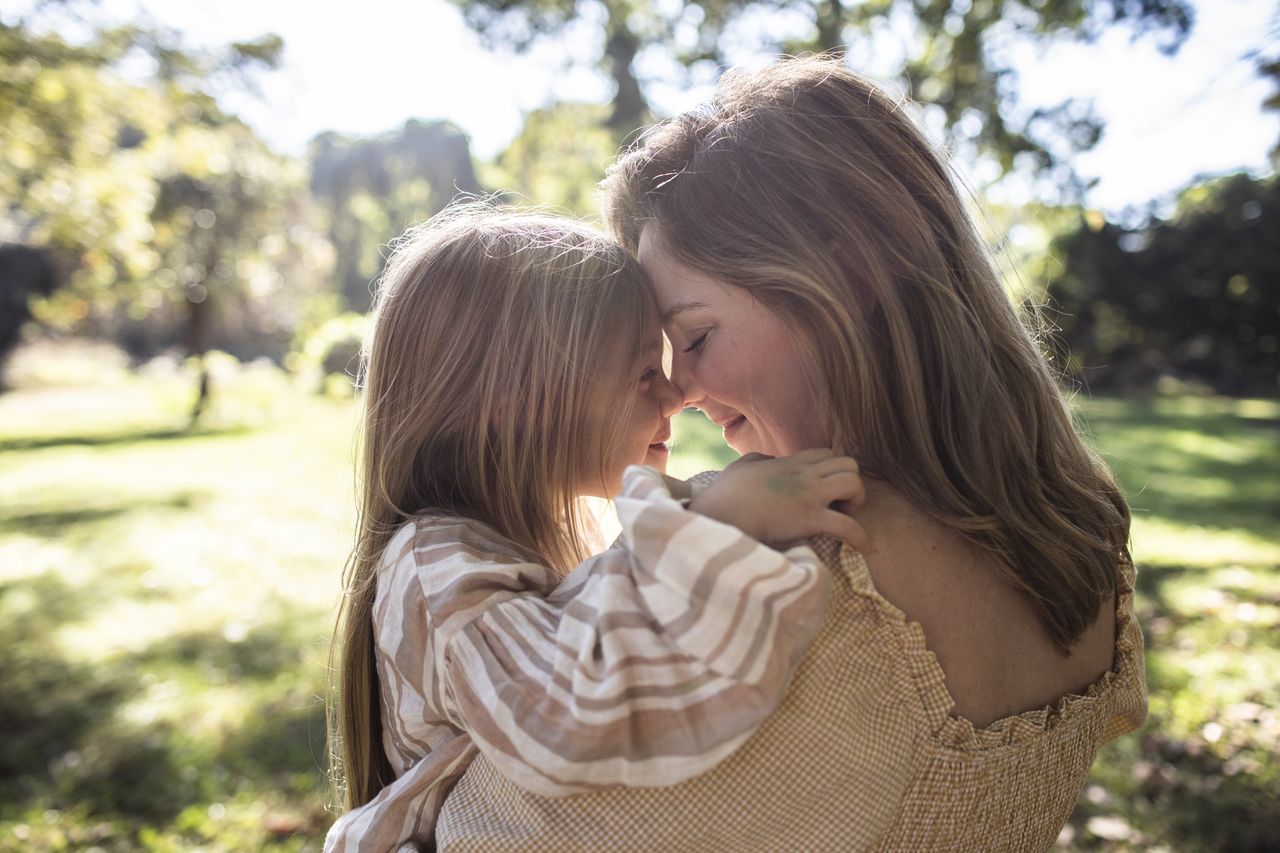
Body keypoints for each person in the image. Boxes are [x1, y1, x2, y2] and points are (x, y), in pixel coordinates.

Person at [434, 57, 1147, 851]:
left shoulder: (777, 564)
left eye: (696, 337)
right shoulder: (1087, 539)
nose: (687, 392)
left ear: (843, 273)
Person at [323, 203, 868, 852]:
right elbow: (560, 714)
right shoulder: (434, 567)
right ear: (511, 403)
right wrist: (719, 522)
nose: (676, 397)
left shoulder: (515, 543)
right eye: (644, 373)